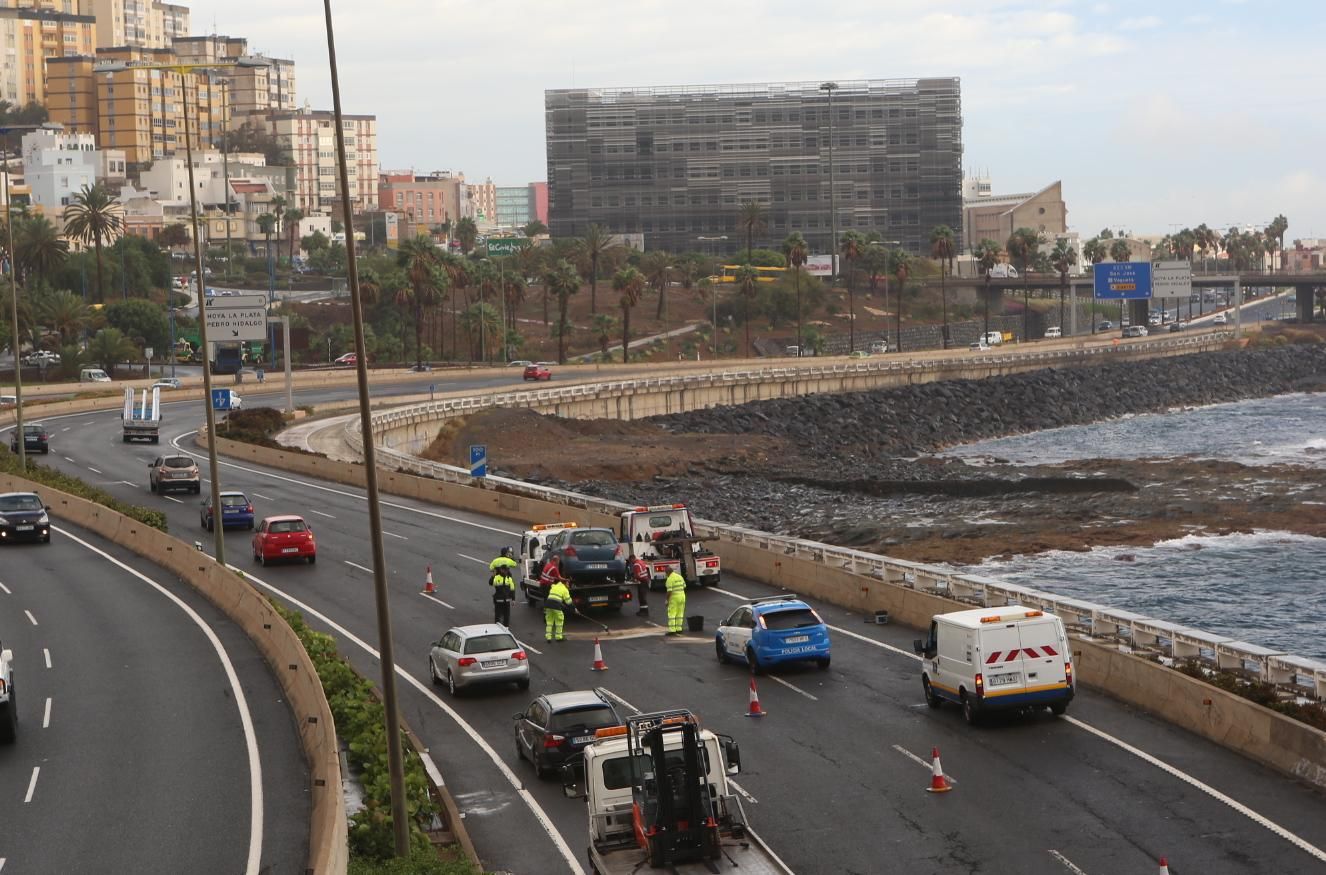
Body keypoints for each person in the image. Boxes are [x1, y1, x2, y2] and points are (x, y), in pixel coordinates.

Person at [665, 569, 687, 636]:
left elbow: (669, 591)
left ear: (668, 572)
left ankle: (672, 630)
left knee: (672, 613)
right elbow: (684, 586)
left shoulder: (669, 579)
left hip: (674, 598)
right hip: (682, 596)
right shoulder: (679, 576)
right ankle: (679, 628)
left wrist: (667, 600)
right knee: (680, 613)